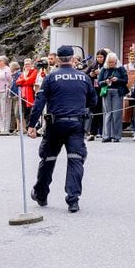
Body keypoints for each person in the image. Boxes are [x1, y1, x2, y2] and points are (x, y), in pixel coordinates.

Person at [27, 44, 98, 213]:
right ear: (73, 59)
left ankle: (41, 194)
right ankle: (73, 200)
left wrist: (31, 125)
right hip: (76, 124)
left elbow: (39, 102)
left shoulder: (51, 77)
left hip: (55, 125)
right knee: (75, 160)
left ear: (58, 59)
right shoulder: (84, 77)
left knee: (48, 159)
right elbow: (93, 101)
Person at [98, 53, 128, 142]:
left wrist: (117, 79)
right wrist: (105, 81)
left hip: (117, 92)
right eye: (109, 62)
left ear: (116, 61)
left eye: (113, 62)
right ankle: (106, 135)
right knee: (108, 113)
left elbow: (125, 80)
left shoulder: (121, 68)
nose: (111, 64)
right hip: (106, 91)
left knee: (116, 114)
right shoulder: (104, 69)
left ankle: (116, 136)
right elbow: (99, 82)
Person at [83, 49, 107, 141]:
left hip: (104, 89)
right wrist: (91, 74)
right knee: (95, 112)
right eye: (98, 57)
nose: (100, 59)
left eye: (101, 57)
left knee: (101, 112)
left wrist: (101, 73)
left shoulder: (107, 65)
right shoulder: (93, 65)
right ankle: (93, 132)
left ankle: (100, 132)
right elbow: (86, 75)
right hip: (94, 90)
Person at [0, 55, 14, 135]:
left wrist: (9, 90)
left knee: (5, 111)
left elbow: (11, 81)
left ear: (3, 61)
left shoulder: (8, 70)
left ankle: (5, 128)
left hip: (4, 92)